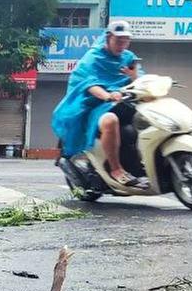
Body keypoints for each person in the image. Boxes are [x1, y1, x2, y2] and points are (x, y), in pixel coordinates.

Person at [51, 21, 146, 187]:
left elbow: (142, 81)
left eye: (126, 41)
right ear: (108, 37)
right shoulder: (93, 59)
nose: (122, 45)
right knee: (110, 120)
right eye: (119, 40)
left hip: (125, 104)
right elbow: (88, 84)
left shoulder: (128, 58)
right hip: (96, 107)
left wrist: (134, 77)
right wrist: (107, 96)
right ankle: (116, 170)